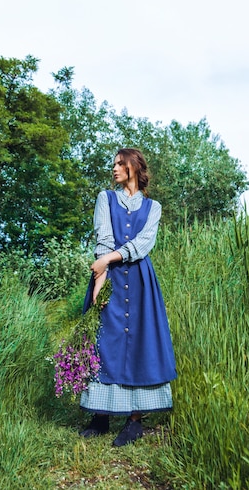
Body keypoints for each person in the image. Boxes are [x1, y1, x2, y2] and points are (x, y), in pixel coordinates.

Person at [79, 148, 177, 447]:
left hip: (140, 283)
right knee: (102, 340)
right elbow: (104, 238)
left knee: (140, 344)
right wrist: (100, 277)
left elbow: (144, 243)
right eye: (114, 165)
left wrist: (108, 259)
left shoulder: (154, 207)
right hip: (109, 276)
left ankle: (134, 422)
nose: (115, 169)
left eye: (120, 164)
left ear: (135, 166)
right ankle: (100, 415)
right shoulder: (105, 198)